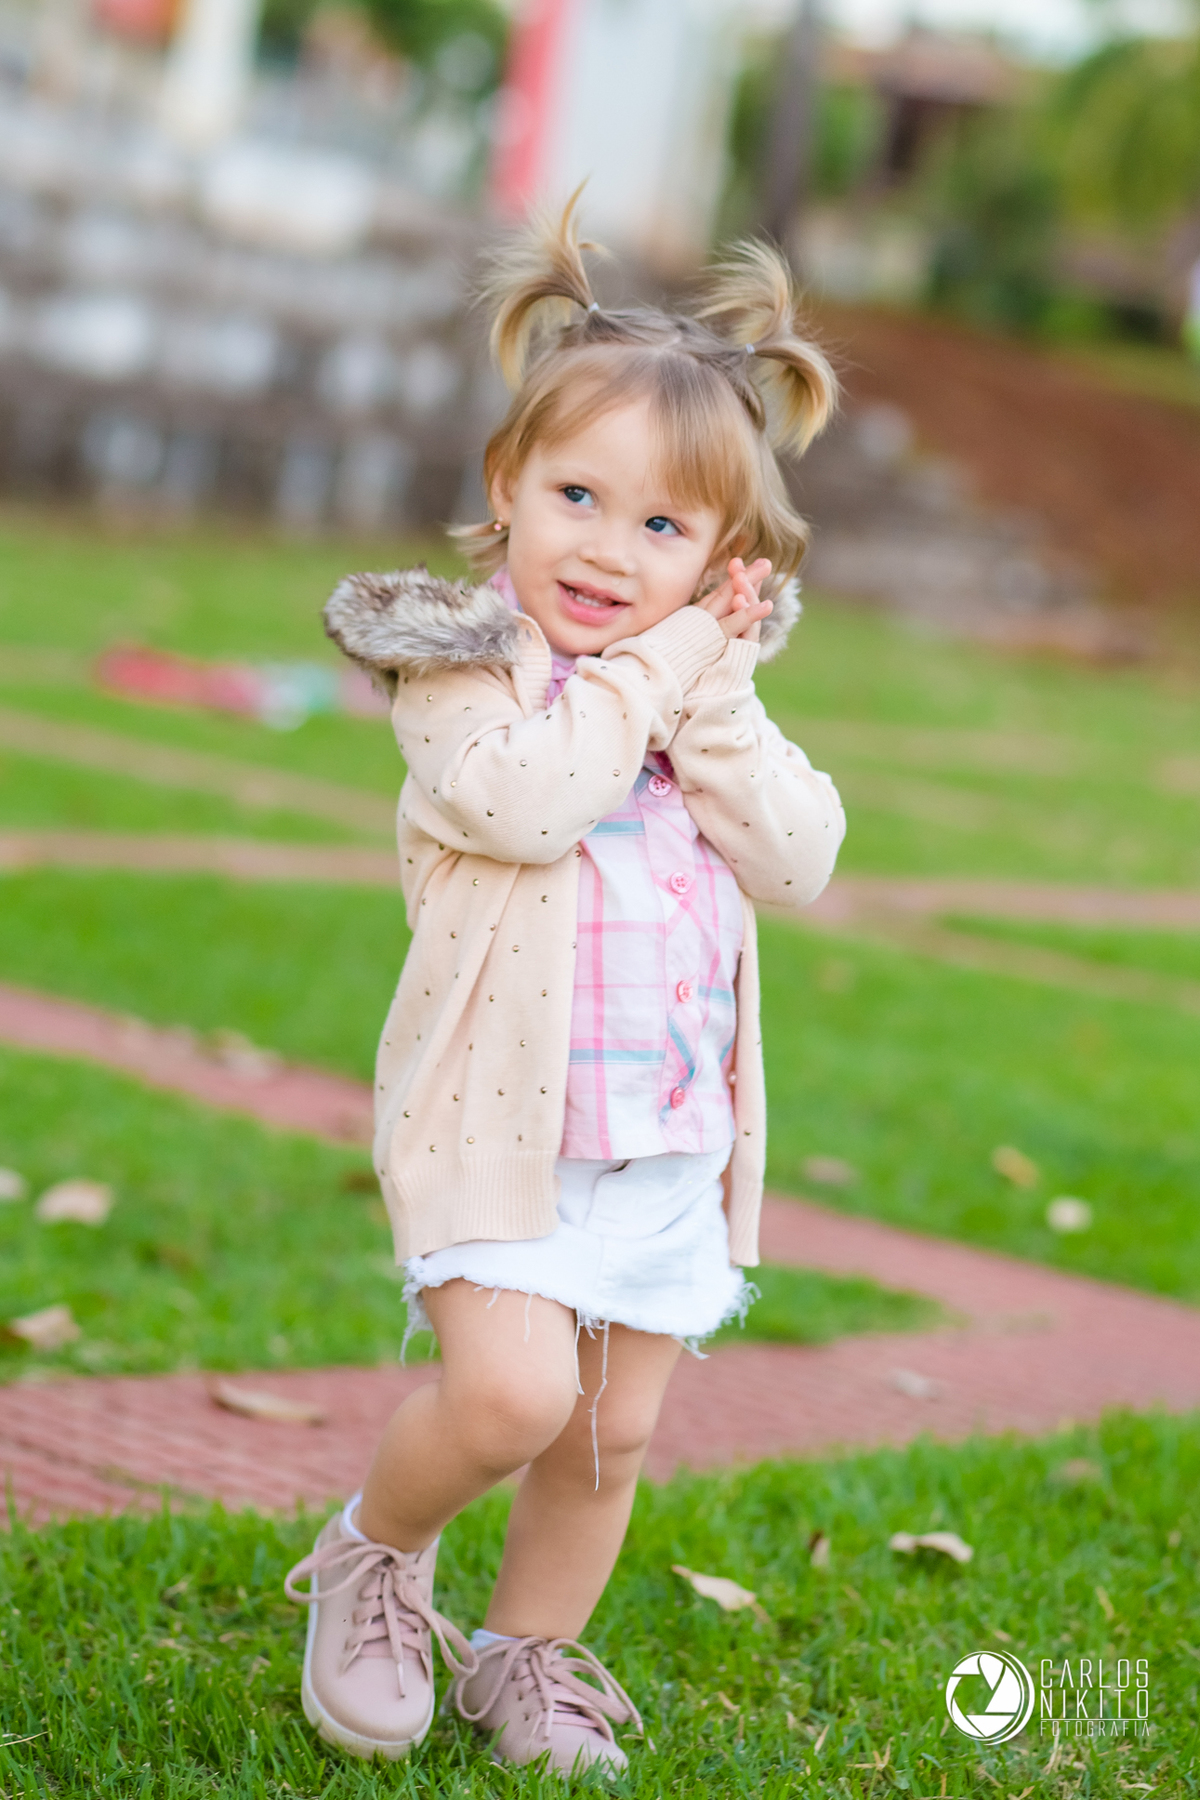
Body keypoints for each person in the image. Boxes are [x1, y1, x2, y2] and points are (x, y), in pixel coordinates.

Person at [283, 197, 846, 1777]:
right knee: (513, 1399)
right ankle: (374, 1555)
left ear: (722, 560)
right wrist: (661, 669)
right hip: (496, 1129)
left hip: (663, 1142)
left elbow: (800, 859)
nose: (606, 547)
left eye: (662, 527)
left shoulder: (702, 703)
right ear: (506, 488)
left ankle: (524, 1655)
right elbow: (530, 803)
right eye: (577, 497)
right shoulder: (459, 670)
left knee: (608, 1433)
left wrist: (710, 695)